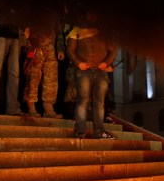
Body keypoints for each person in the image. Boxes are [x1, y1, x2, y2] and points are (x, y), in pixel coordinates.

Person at [66, 9, 116, 139]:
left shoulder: (104, 31)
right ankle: (80, 132)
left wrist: (105, 63)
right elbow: (70, 50)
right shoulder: (77, 29)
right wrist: (78, 63)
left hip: (101, 71)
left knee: (99, 103)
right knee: (83, 101)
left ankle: (100, 132)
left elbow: (113, 51)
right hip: (84, 71)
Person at [23, 13, 64, 118]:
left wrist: (60, 49)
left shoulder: (54, 14)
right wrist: (29, 46)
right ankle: (31, 106)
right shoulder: (33, 11)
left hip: (50, 51)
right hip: (36, 49)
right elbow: (26, 31)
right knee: (33, 78)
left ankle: (48, 108)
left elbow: (59, 33)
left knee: (51, 80)